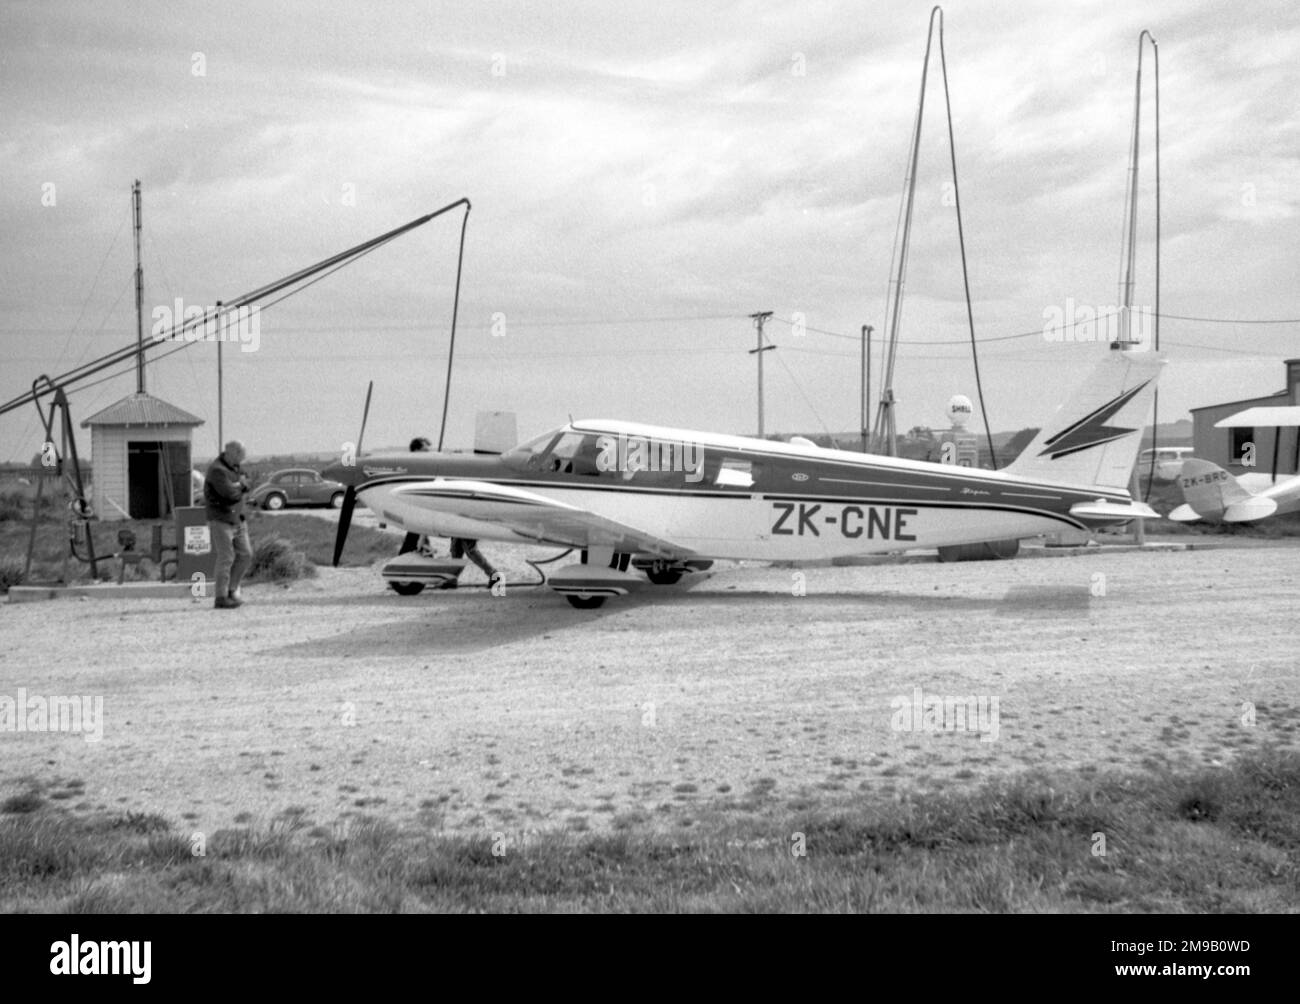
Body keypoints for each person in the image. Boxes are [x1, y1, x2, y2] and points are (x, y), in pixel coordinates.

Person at [406, 434, 501, 589]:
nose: (428, 454)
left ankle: (494, 574)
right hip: (456, 513)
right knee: (456, 549)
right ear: (414, 451)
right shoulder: (425, 469)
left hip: (465, 511)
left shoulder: (433, 468)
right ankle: (452, 579)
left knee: (469, 549)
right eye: (424, 451)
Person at [205, 439, 253, 609]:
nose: (242, 461)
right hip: (221, 519)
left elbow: (247, 481)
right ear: (233, 453)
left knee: (245, 554)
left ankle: (232, 590)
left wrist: (239, 484)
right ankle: (221, 596)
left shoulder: (235, 467)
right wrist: (241, 485)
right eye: (240, 457)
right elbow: (229, 494)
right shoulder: (217, 470)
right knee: (226, 557)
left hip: (237, 518)